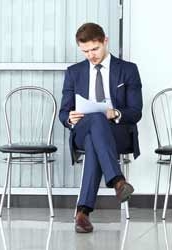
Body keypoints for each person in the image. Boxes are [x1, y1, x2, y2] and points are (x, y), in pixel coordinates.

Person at [59, 23, 143, 233]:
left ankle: (83, 212)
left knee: (95, 136)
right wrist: (70, 118)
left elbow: (136, 111)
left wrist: (114, 113)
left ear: (105, 41)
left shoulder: (128, 69)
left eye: (94, 49)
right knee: (94, 122)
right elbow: (63, 112)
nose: (91, 55)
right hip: (82, 128)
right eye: (85, 51)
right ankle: (117, 180)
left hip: (117, 132)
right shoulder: (74, 72)